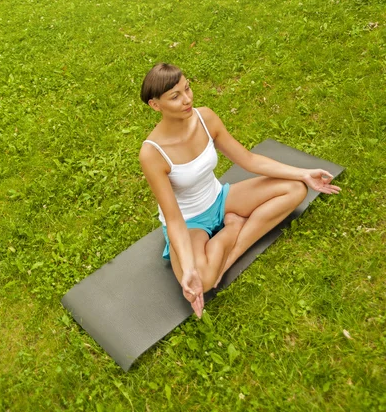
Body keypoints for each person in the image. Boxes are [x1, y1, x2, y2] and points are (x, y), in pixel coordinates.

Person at [139, 63, 341, 318]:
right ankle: (232, 227)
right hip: (189, 222)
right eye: (175, 96)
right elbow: (174, 218)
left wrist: (303, 173)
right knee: (202, 280)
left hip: (221, 199)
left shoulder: (205, 118)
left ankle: (231, 251)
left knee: (295, 189)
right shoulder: (152, 153)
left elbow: (248, 160)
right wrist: (188, 267)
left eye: (187, 88)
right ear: (155, 105)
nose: (187, 99)